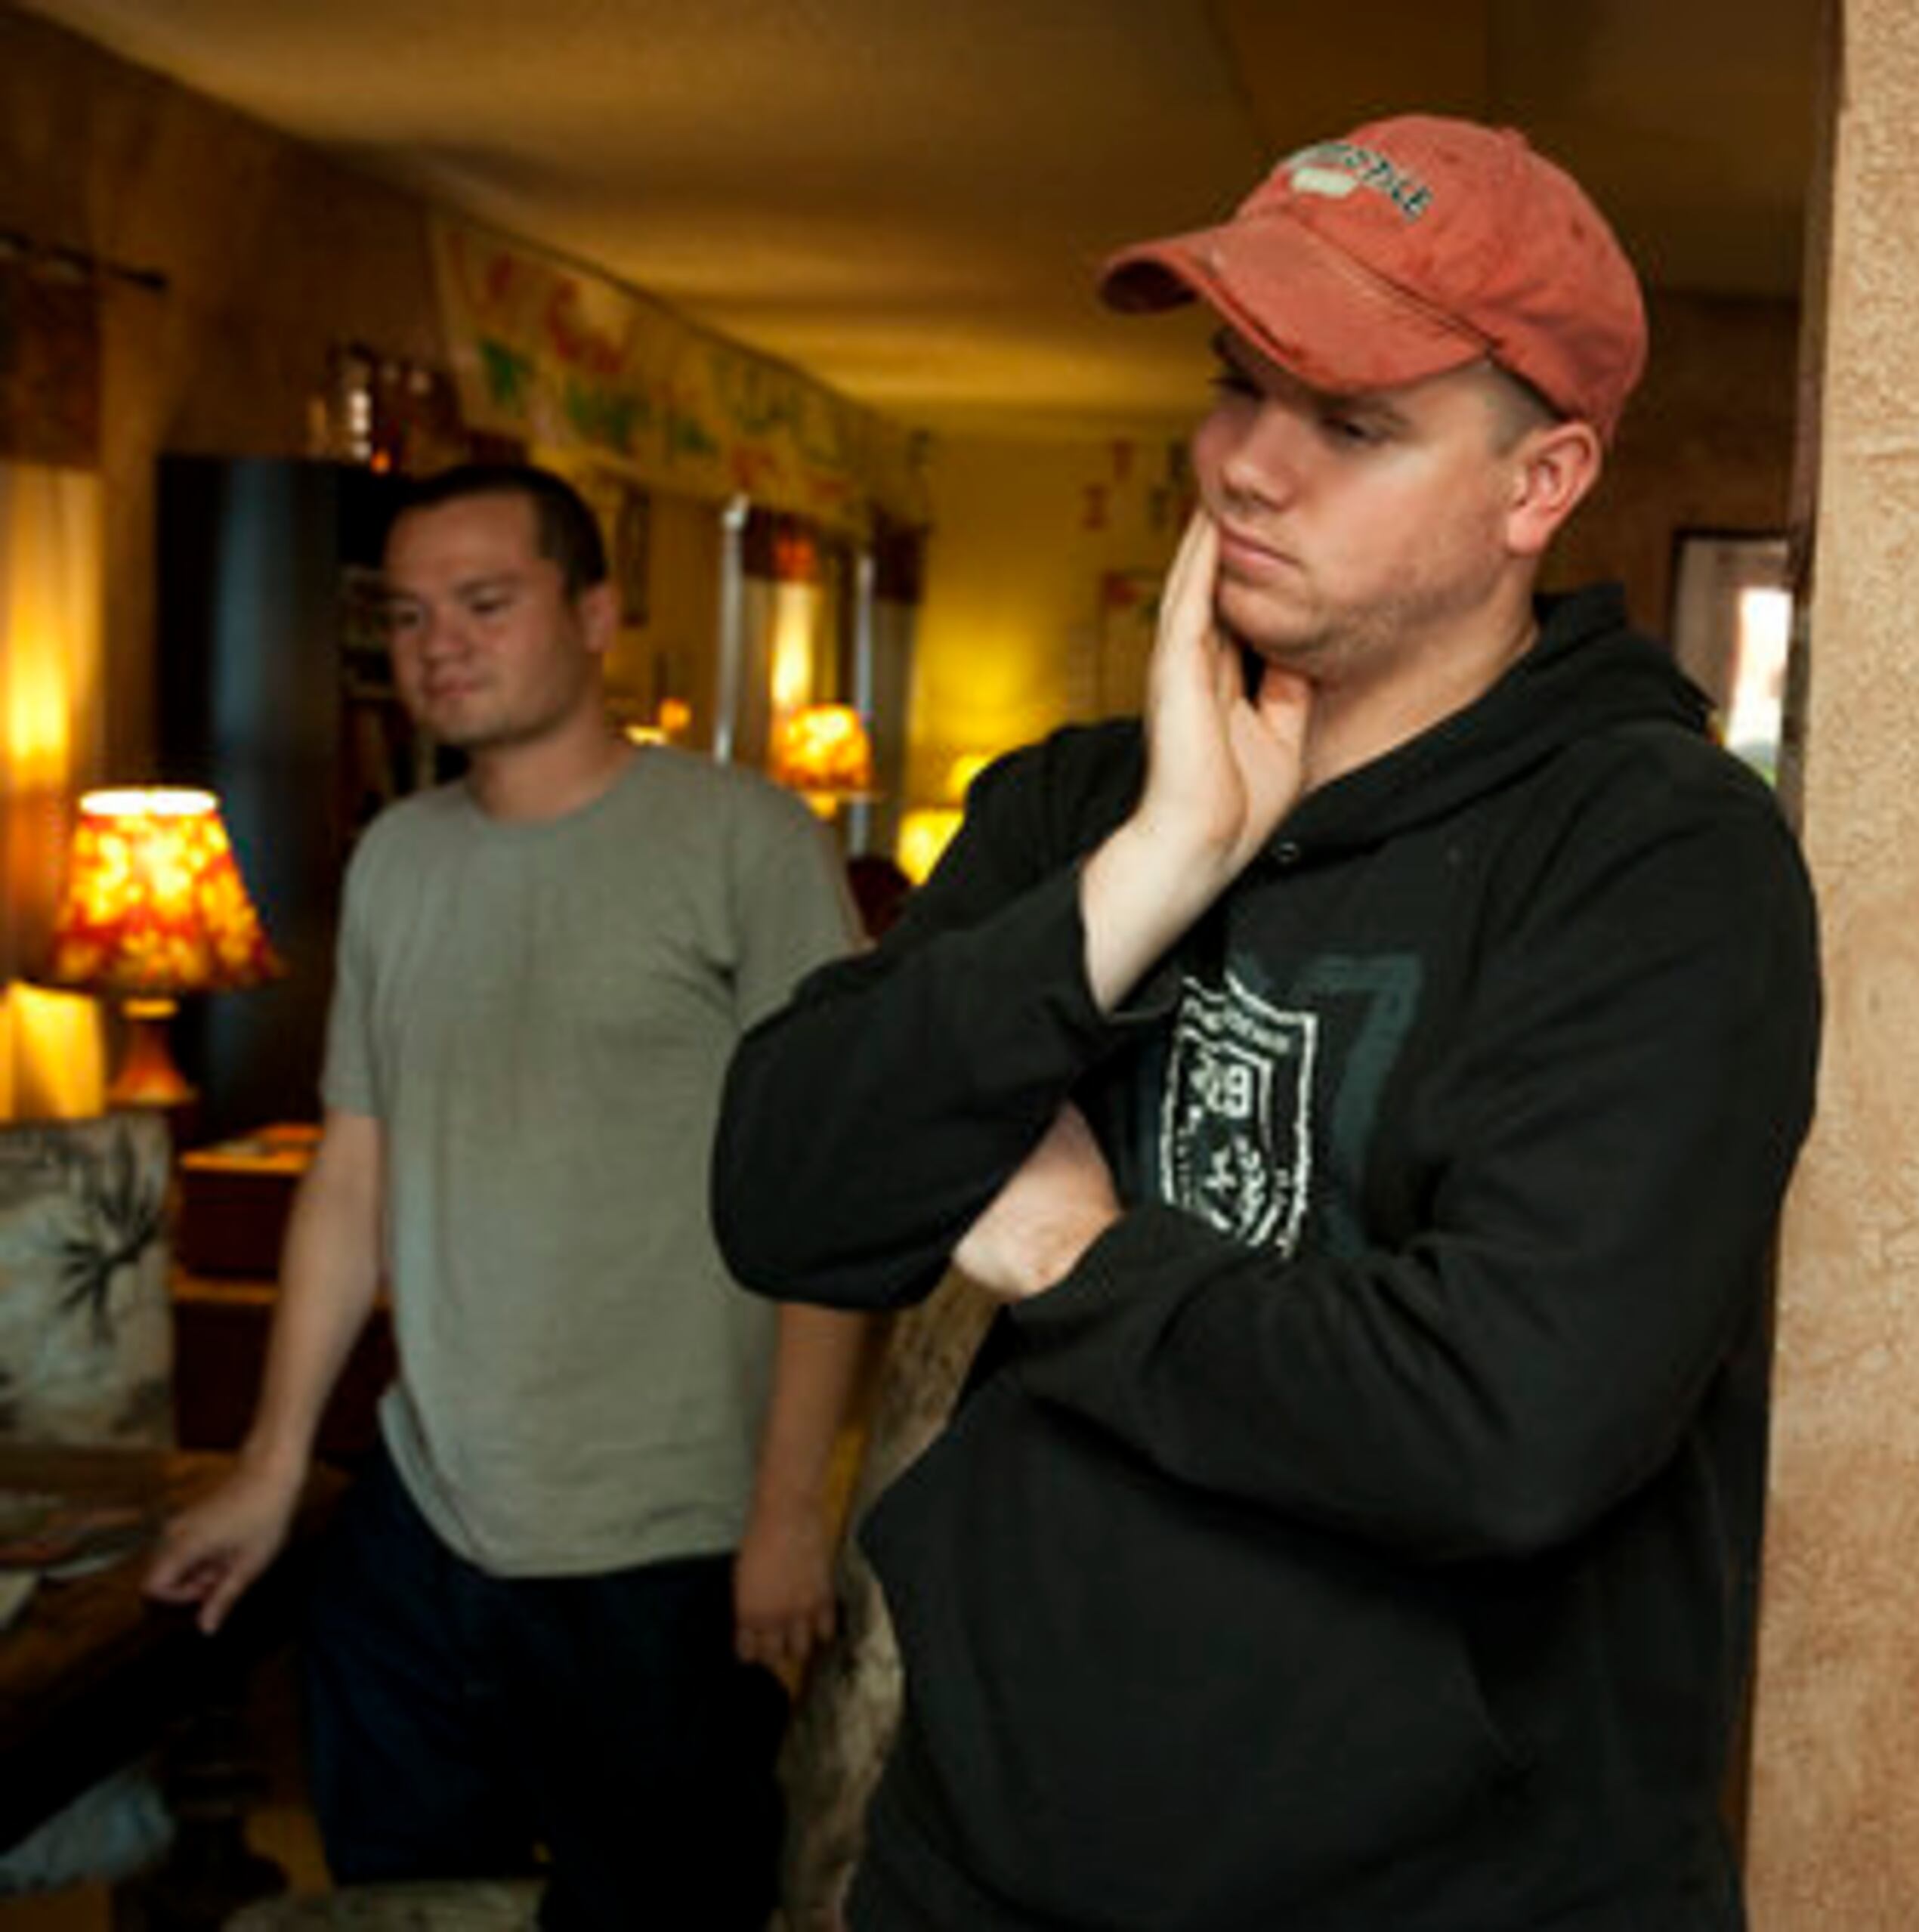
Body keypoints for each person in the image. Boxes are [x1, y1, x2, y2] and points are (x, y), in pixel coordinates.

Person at [711, 115, 1824, 1929]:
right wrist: (1144, 878)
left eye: (1355, 423)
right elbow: (786, 1192)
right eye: (1239, 385)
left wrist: (1079, 1252)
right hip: (987, 1872)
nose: (1245, 465)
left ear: (1538, 484)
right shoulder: (1078, 805)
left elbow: (1505, 1423)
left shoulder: (1656, 856)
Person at [146, 462, 871, 1930]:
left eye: (485, 602)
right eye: (410, 615)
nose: (440, 645)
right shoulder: (399, 859)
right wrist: (277, 1463)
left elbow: (834, 1199)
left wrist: (791, 1508)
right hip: (425, 1517)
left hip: (668, 1533)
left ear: (596, 613)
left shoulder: (747, 842)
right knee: (405, 1904)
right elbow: (351, 1174)